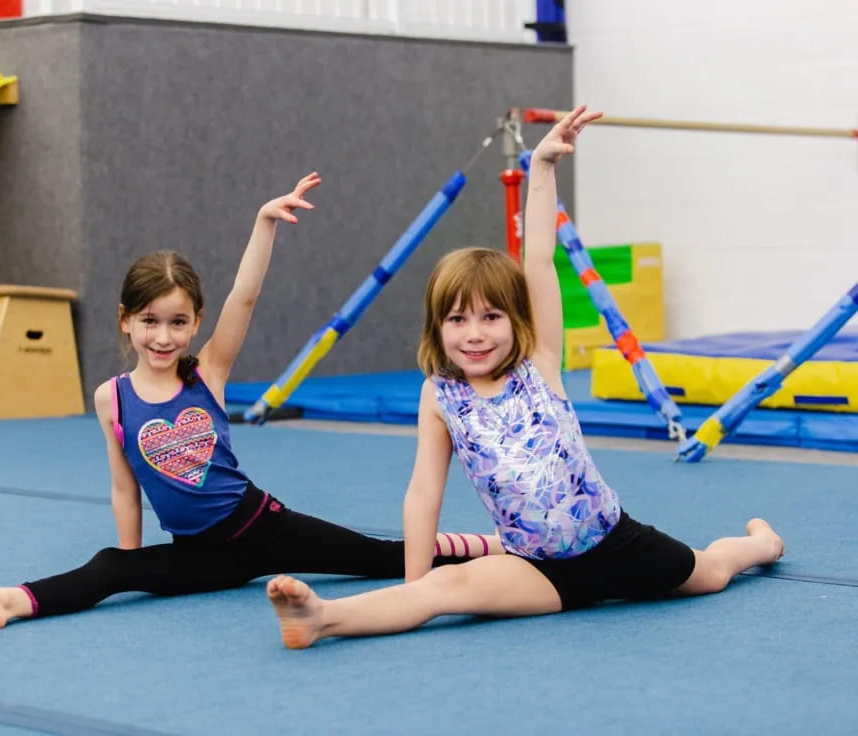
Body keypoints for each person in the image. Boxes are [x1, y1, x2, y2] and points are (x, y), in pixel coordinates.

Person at [266, 109, 786, 649]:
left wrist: (541, 167)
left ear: (516, 323)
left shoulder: (538, 363)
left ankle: (761, 543)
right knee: (444, 587)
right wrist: (414, 591)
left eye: (491, 317)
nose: (475, 334)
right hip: (537, 570)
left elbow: (537, 258)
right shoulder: (441, 396)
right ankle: (320, 617)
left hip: (617, 544)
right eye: (457, 319)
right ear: (436, 326)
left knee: (712, 573)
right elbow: (424, 493)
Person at [0, 172, 501, 629]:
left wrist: (263, 224)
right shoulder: (113, 399)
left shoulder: (207, 372)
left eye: (178, 322)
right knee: (108, 567)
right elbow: (123, 487)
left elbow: (245, 296)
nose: (163, 336)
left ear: (195, 323)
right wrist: (133, 561)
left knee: (381, 559)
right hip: (200, 556)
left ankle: (497, 546)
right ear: (126, 322)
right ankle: (7, 601)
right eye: (149, 322)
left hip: (261, 526)